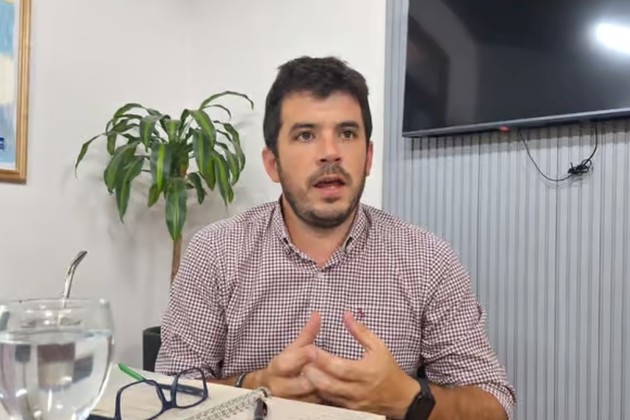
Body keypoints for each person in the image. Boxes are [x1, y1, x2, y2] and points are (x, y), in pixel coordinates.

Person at [155, 56, 516, 419]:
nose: (330, 152)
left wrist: (409, 399)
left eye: (347, 133)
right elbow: (166, 393)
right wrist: (254, 387)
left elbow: (494, 405)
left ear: (368, 157)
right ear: (272, 163)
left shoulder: (428, 259)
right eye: (306, 135)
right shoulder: (216, 251)